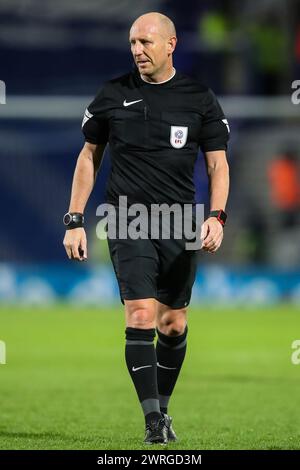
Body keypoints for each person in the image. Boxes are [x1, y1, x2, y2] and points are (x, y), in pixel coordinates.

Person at [63, 12, 230, 445]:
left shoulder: (199, 97)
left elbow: (217, 165)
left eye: (146, 43)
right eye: (133, 43)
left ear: (171, 44)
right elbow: (88, 156)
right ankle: (153, 422)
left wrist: (216, 216)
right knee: (140, 314)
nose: (137, 50)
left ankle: (164, 408)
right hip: (126, 219)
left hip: (179, 223)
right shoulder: (112, 94)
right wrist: (75, 220)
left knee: (172, 324)